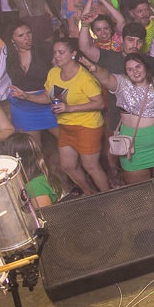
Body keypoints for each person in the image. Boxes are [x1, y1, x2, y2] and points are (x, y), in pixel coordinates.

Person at [82, 53, 154, 192]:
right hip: (132, 146)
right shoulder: (122, 83)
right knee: (139, 188)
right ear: (126, 72)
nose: (135, 71)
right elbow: (106, 77)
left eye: (138, 66)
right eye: (130, 69)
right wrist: (95, 69)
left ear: (145, 67)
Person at [33, 37, 108, 194]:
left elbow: (100, 103)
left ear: (73, 54)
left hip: (87, 126)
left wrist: (69, 108)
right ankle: (90, 193)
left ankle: (110, 195)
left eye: (61, 52)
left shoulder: (85, 77)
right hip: (66, 126)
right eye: (55, 52)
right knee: (67, 166)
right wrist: (26, 96)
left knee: (91, 166)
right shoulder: (53, 72)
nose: (57, 56)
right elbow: (47, 97)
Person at [4, 21, 57, 150]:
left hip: (47, 101)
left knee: (68, 141)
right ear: (12, 40)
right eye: (21, 35)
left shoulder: (45, 49)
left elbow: (60, 72)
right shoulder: (8, 54)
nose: (27, 38)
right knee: (33, 149)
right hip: (23, 106)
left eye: (29, 33)